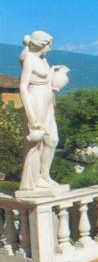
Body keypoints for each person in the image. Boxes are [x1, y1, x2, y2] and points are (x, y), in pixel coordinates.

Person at [18, 31, 68, 192]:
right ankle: (35, 180)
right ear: (41, 44)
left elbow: (46, 78)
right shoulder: (30, 59)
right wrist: (31, 117)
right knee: (36, 143)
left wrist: (54, 71)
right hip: (36, 102)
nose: (50, 48)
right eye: (49, 45)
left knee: (52, 140)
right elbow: (23, 87)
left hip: (47, 105)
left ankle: (44, 175)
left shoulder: (43, 60)